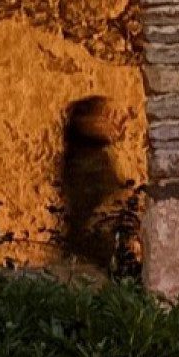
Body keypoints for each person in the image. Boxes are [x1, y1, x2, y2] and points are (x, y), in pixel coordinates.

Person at [59, 95, 128, 273]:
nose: (110, 122)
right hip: (89, 240)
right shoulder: (83, 160)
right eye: (103, 115)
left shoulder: (98, 156)